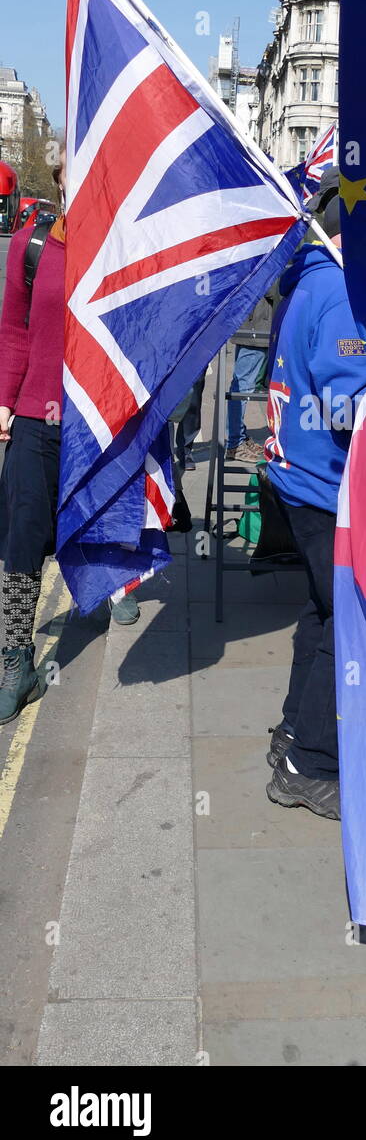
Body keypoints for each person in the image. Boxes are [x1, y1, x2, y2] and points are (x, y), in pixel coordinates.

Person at [0, 153, 138, 725]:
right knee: (22, 532)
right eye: (70, 175)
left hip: (100, 414)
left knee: (100, 512)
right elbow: (14, 327)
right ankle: (14, 661)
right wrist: (5, 402)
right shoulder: (32, 245)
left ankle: (115, 582)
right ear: (59, 180)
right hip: (37, 411)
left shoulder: (125, 248)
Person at [264, 167, 366, 820]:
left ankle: (290, 732)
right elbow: (346, 406)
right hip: (324, 489)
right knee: (350, 621)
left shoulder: (307, 280)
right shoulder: (337, 290)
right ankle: (309, 764)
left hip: (295, 480)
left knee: (320, 611)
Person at [226, 299, 272, 465]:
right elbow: (273, 286)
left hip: (257, 325)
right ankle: (234, 444)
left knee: (242, 386)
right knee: (241, 388)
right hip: (256, 328)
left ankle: (238, 438)